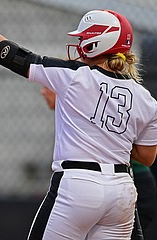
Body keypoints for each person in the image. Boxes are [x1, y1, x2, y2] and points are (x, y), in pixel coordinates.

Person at [0, 0, 157, 239]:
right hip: (122, 192)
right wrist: (110, 135)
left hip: (78, 184)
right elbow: (146, 157)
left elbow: (9, 55)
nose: (78, 44)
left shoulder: (75, 76)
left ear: (96, 42)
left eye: (83, 39)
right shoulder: (145, 98)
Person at [40, 86, 157, 239]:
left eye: (47, 87)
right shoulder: (75, 113)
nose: (42, 92)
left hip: (133, 181)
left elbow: (147, 158)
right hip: (113, 188)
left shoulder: (87, 104)